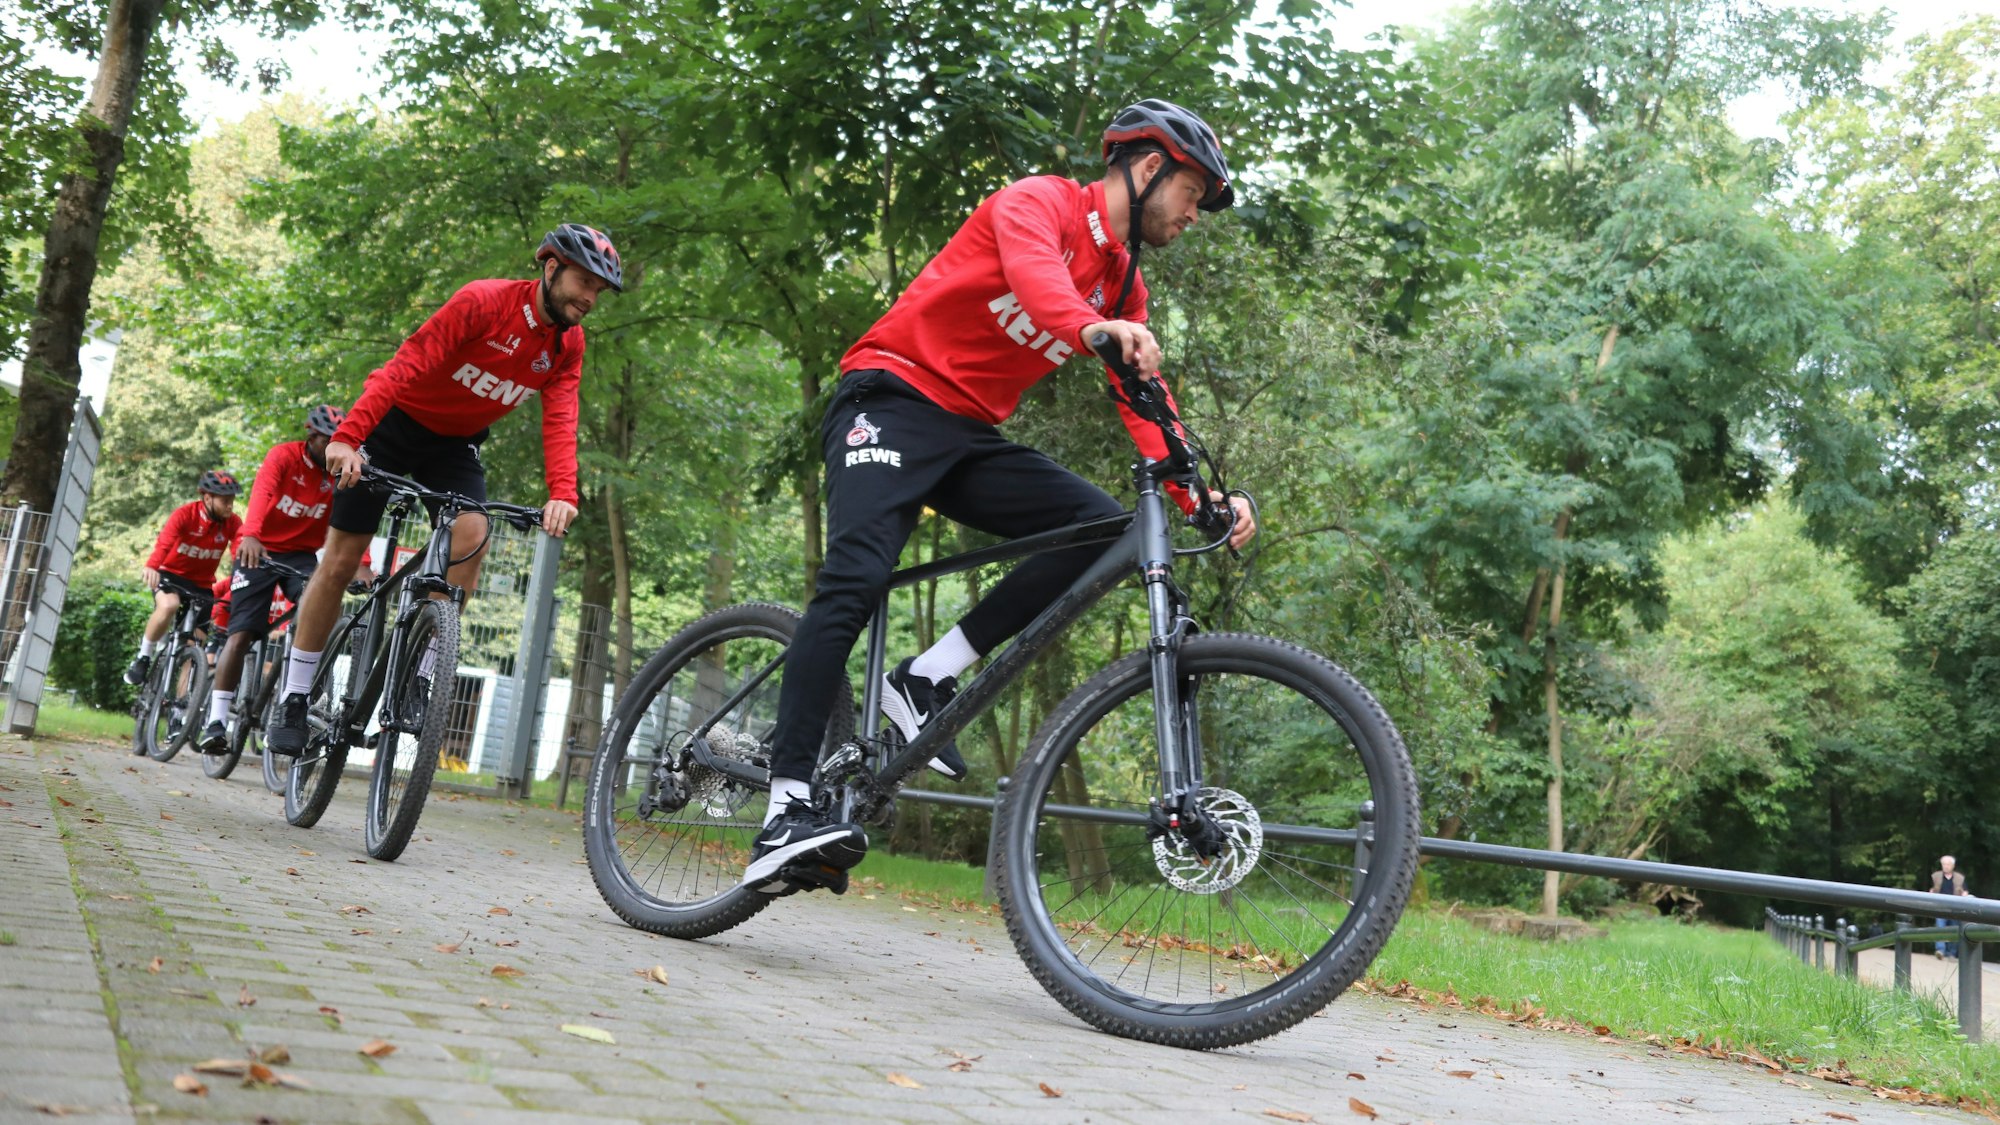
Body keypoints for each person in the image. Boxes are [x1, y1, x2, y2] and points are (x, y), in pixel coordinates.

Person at [743, 100, 1257, 891]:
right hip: (890, 396)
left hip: (966, 433)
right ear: (1150, 167)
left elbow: (1146, 405)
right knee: (856, 577)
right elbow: (1038, 282)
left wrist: (1204, 498)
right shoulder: (1038, 202)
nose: (1195, 213)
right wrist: (1095, 329)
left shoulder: (1123, 283)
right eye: (1192, 192)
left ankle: (923, 677)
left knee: (1098, 527)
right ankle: (784, 808)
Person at [264, 224, 621, 756]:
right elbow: (404, 365)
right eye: (584, 282)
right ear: (551, 268)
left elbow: (561, 416)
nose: (590, 297)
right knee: (339, 561)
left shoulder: (568, 343)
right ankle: (294, 695)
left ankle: (419, 675)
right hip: (392, 425)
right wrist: (348, 438)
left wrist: (563, 492)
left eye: (599, 290)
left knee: (473, 537)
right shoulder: (484, 302)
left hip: (453, 445)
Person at [197, 405, 371, 754]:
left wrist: (362, 563)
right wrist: (250, 534)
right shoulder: (284, 457)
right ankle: (215, 722)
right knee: (241, 634)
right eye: (327, 441)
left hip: (301, 556)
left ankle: (298, 691)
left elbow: (352, 517)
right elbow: (262, 493)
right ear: (312, 436)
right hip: (259, 550)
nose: (333, 448)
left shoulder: (343, 469)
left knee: (317, 606)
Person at [124, 471, 242, 687]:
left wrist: (241, 576)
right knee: (169, 605)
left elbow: (239, 552)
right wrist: (152, 566)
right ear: (207, 498)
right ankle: (143, 656)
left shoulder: (233, 522)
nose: (230, 506)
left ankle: (183, 705)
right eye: (225, 501)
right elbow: (164, 543)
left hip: (202, 585)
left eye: (232, 500)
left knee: (196, 648)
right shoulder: (185, 514)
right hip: (171, 576)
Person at [1931, 855, 1968, 959]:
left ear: (1953, 866)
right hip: (1940, 907)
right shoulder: (1935, 876)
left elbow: (1965, 891)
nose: (1946, 866)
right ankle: (1940, 950)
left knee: (1954, 929)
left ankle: (1951, 953)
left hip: (1955, 908)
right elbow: (1931, 889)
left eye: (1948, 864)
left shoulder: (1960, 878)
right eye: (1944, 864)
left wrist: (1964, 895)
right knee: (1940, 928)